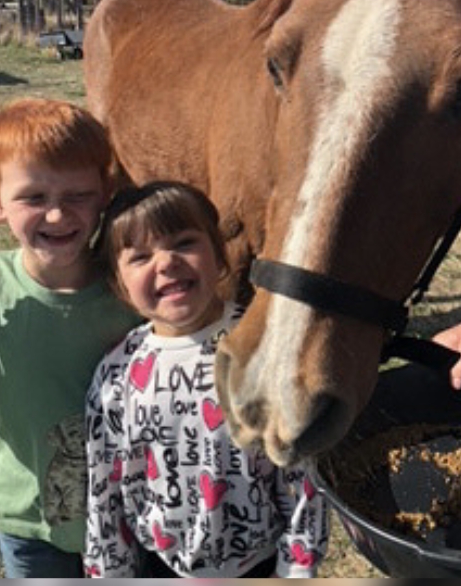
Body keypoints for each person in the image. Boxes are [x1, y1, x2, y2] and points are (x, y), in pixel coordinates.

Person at [84, 181, 329, 579]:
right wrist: (109, 573)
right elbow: (104, 489)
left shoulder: (262, 349)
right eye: (141, 256)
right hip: (160, 568)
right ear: (119, 286)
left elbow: (302, 471)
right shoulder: (117, 374)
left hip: (260, 565)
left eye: (183, 242)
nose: (165, 263)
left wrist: (296, 567)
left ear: (219, 256)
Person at [0, 98, 141, 577]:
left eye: (78, 195)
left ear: (105, 193)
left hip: (131, 517)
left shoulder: (131, 287)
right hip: (29, 521)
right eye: (34, 198)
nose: (58, 216)